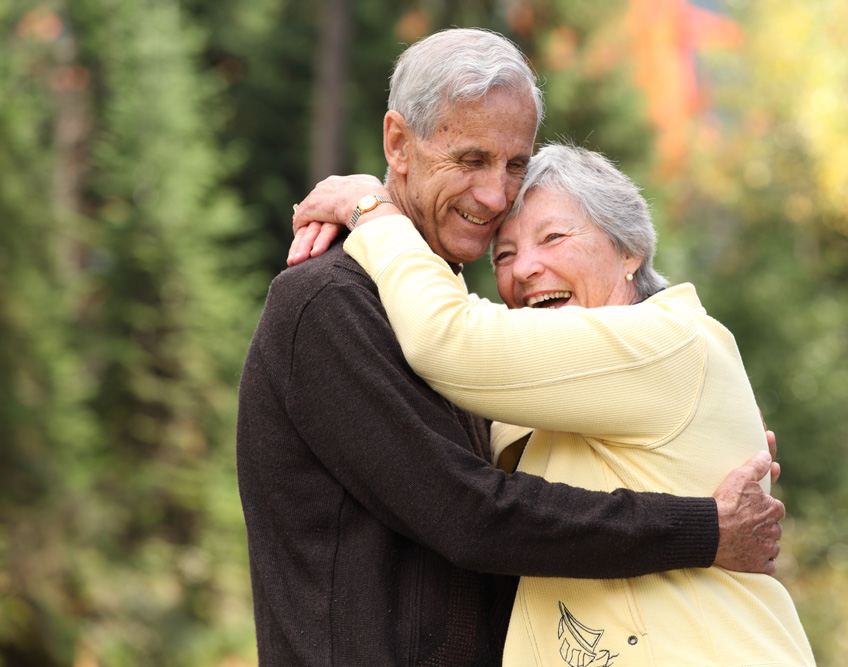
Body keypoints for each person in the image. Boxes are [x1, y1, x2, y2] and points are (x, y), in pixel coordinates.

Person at [240, 28, 783, 666]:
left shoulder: (486, 343)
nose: (496, 196)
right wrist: (703, 527)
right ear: (398, 143)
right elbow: (469, 515)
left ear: (631, 244)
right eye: (471, 160)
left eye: (515, 164)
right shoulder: (331, 302)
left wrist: (705, 454)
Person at [325, 142, 815, 666]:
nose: (525, 270)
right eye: (505, 255)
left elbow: (448, 338)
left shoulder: (665, 339)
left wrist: (373, 213)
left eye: (553, 237)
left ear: (630, 251)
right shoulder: (549, 391)